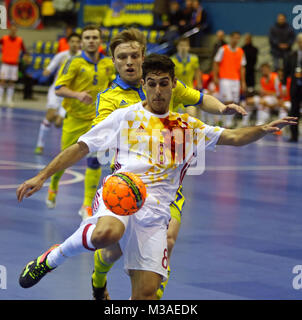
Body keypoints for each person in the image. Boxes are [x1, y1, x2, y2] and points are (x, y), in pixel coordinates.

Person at [16, 53, 297, 300]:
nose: (158, 91)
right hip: (122, 193)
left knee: (146, 294)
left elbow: (234, 137)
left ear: (174, 84)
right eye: (151, 84)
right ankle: (52, 257)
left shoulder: (188, 126)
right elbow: (81, 147)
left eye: (164, 83)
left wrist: (263, 128)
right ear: (144, 85)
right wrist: (41, 176)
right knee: (107, 234)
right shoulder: (124, 117)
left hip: (156, 213)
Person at [88, 28, 247, 300]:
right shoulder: (111, 98)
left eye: (134, 55)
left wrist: (221, 108)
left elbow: (198, 97)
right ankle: (98, 277)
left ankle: (151, 297)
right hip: (128, 183)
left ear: (143, 56)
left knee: (168, 241)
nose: (129, 62)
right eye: (122, 57)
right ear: (114, 61)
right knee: (114, 250)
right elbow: (100, 134)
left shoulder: (162, 82)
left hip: (165, 184)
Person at [45, 25, 115, 221]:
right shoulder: (73, 62)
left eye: (95, 37)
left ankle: (86, 205)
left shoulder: (107, 63)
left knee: (94, 161)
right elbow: (58, 88)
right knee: (64, 160)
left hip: (97, 121)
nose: (91, 40)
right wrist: (77, 95)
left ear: (100, 41)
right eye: (87, 37)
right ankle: (53, 186)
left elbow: (112, 82)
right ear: (82, 42)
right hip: (74, 119)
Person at [34, 32, 81, 155]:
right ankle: (40, 145)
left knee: (59, 123)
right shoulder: (61, 56)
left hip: (70, 94)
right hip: (56, 91)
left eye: (77, 42)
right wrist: (47, 71)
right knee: (50, 115)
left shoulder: (82, 58)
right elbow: (49, 69)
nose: (75, 44)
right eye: (73, 41)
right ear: (68, 43)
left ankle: (58, 118)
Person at [213, 31, 247, 127]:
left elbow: (242, 68)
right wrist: (215, 77)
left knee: (234, 102)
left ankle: (228, 123)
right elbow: (216, 63)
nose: (236, 40)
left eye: (238, 38)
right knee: (227, 100)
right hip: (224, 79)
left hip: (236, 80)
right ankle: (219, 120)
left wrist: (243, 82)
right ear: (230, 38)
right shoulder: (223, 49)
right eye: (234, 37)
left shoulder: (241, 51)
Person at [0, 24, 26, 107]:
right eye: (12, 29)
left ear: (16, 30)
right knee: (2, 81)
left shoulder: (20, 40)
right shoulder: (4, 39)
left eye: (15, 30)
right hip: (5, 64)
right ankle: (0, 99)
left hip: (14, 65)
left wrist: (21, 57)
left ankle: (9, 100)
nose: (13, 31)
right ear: (9, 30)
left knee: (12, 82)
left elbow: (24, 51)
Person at [283, 33, 302, 142]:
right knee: (294, 111)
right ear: (297, 43)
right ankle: (293, 136)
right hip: (295, 87)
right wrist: (284, 85)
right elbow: (286, 72)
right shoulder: (291, 55)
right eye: (300, 42)